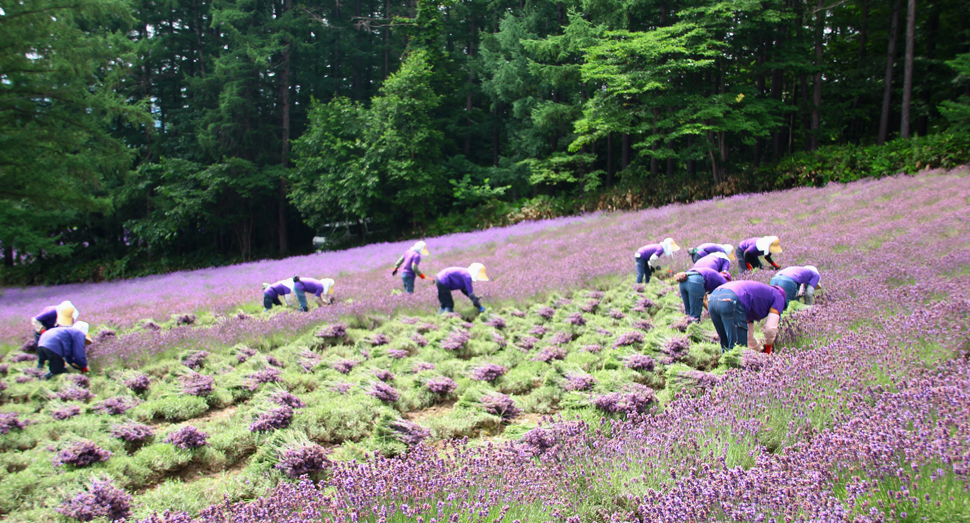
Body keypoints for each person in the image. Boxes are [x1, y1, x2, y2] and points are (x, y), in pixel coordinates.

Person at [707, 281, 787, 354]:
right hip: (731, 298)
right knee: (737, 348)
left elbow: (748, 335)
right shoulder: (778, 295)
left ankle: (726, 367)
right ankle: (736, 368)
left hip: (712, 298)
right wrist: (768, 347)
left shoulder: (755, 299)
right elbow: (770, 328)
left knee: (726, 344)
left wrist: (758, 350)